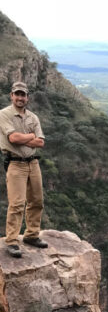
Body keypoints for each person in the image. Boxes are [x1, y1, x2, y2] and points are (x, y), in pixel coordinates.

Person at [0, 81, 47, 258]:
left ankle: (31, 235)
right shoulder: (4, 115)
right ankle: (11, 241)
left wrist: (24, 138)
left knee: (37, 201)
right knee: (17, 203)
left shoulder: (33, 117)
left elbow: (41, 142)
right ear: (11, 96)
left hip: (33, 163)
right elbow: (13, 138)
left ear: (27, 97)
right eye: (17, 94)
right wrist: (30, 136)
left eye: (23, 95)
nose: (20, 98)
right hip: (15, 164)